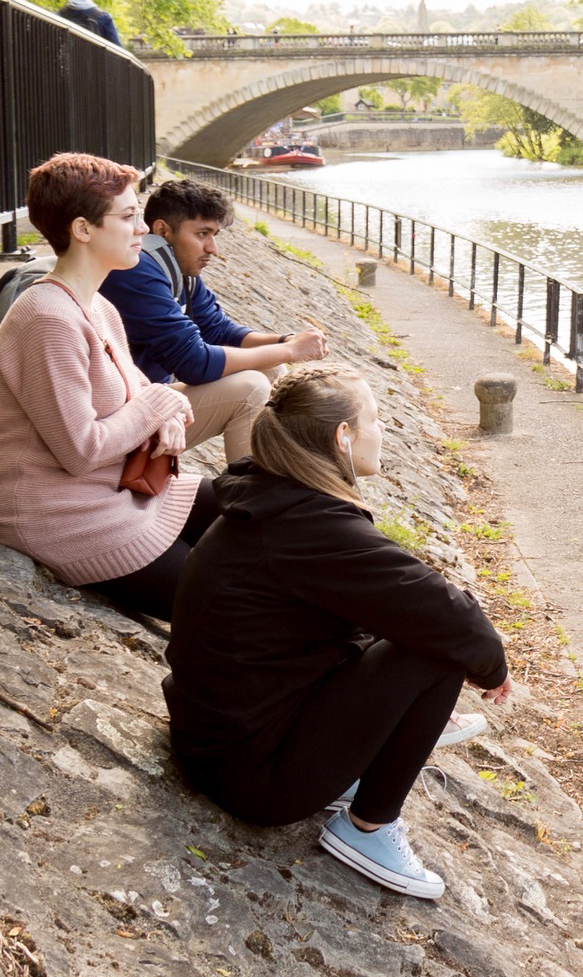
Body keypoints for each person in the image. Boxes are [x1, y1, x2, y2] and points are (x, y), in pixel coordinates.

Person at [165, 364, 511, 900]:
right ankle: (368, 826)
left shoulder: (267, 491)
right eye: (374, 419)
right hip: (252, 776)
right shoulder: (312, 525)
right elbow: (453, 619)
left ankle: (378, 749)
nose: (384, 430)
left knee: (406, 621)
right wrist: (491, 666)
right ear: (342, 437)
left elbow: (392, 596)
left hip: (216, 738)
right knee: (440, 649)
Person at [0, 153, 207, 621]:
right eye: (127, 217)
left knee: (258, 508)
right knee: (235, 600)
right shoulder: (48, 318)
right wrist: (161, 404)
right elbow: (81, 449)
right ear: (83, 230)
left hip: (121, 492)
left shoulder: (97, 306)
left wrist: (165, 411)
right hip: (67, 520)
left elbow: (144, 392)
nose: (143, 228)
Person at [99, 180, 328, 465]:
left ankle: (289, 471)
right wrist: (291, 352)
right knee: (251, 388)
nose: (213, 248)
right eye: (202, 234)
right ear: (162, 231)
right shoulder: (136, 269)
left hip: (147, 399)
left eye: (214, 234)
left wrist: (284, 342)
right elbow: (194, 364)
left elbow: (219, 330)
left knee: (269, 368)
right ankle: (251, 500)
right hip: (117, 419)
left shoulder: (175, 268)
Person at [59, 0, 123, 46]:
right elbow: (116, 47)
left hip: (66, 57)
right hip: (94, 57)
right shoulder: (103, 17)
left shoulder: (59, 16)